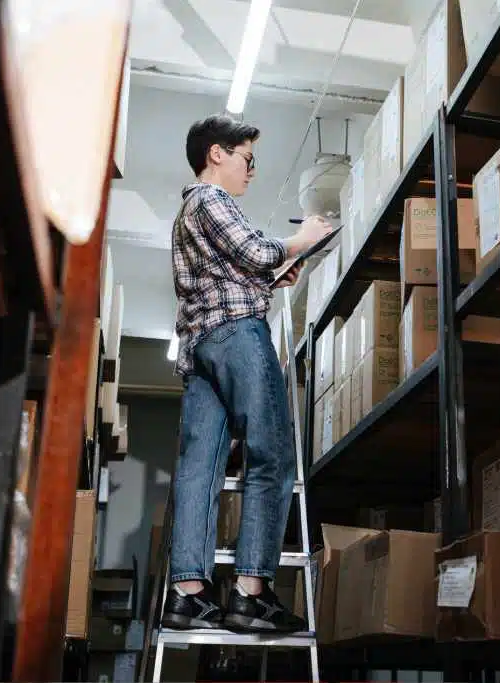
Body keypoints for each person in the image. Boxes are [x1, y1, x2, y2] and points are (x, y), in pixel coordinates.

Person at [162, 114, 333, 633]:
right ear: (217, 153)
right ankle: (250, 593)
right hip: (236, 335)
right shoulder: (210, 200)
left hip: (202, 347)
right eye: (247, 159)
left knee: (200, 468)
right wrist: (303, 238)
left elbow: (235, 273)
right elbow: (258, 251)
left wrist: (271, 282)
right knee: (272, 455)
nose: (251, 170)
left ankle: (188, 593)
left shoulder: (188, 212)